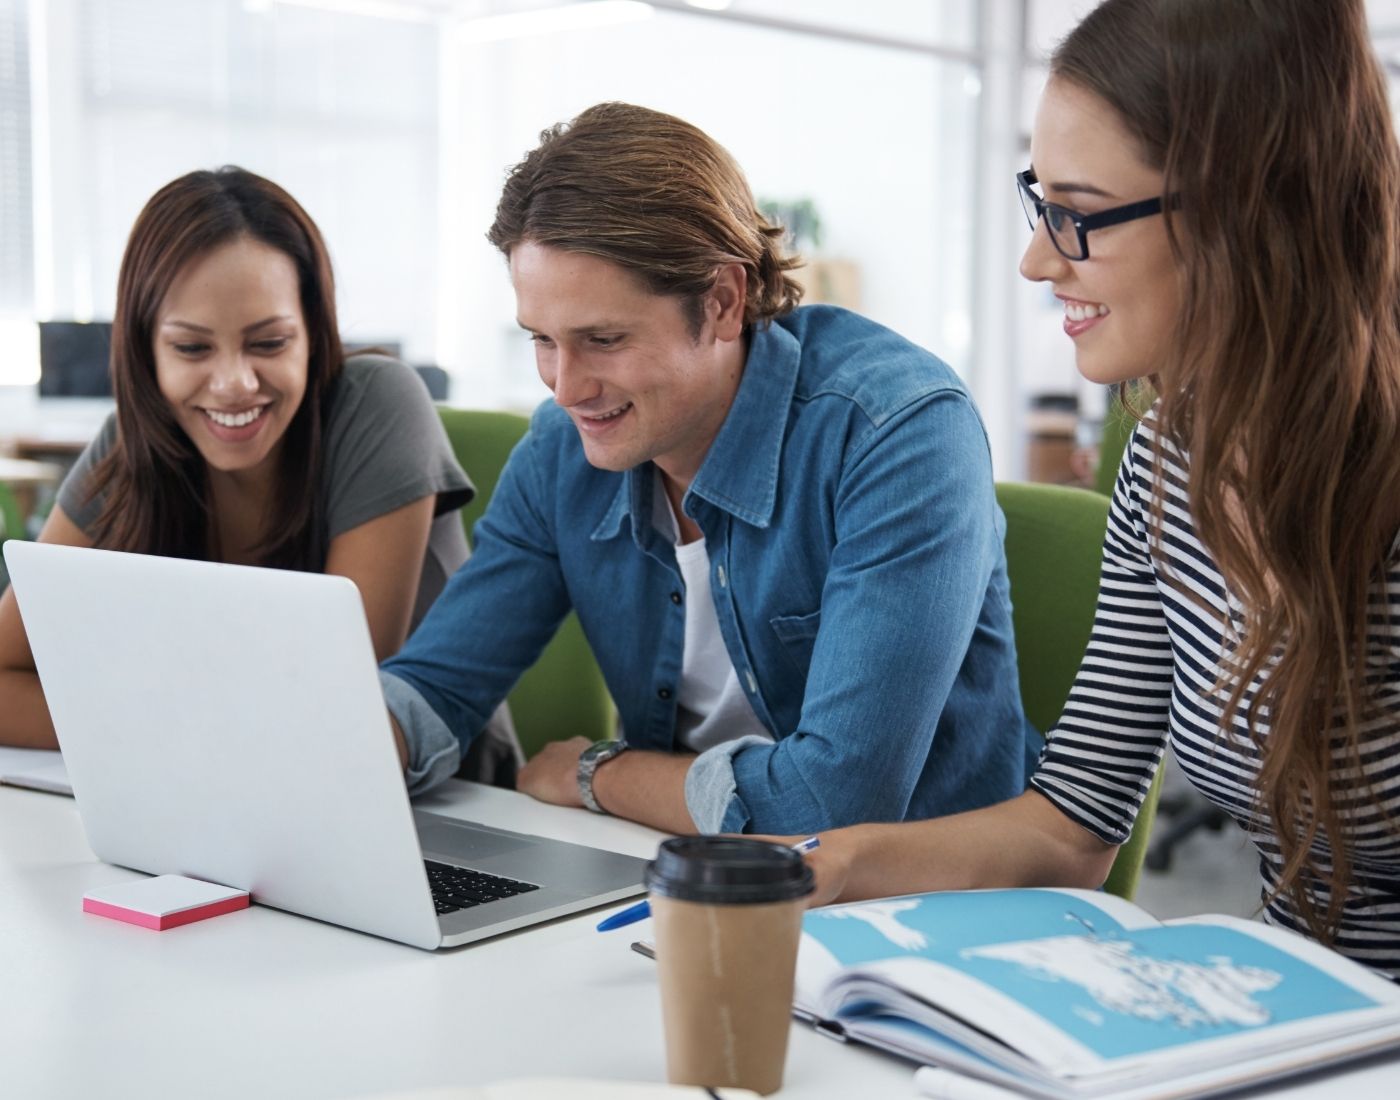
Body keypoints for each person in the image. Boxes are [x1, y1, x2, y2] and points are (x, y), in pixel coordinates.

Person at [797, 0, 1400, 978]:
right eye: (1043, 202)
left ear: (1239, 209)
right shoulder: (1165, 461)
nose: (1037, 258)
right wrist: (827, 861)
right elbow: (1070, 817)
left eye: (1076, 213)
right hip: (1299, 1023)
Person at [381, 102, 1036, 836]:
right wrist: (344, 746)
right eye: (541, 339)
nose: (564, 388)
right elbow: (440, 684)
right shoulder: (560, 450)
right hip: (690, 878)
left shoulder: (898, 432)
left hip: (915, 909)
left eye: (603, 338)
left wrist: (602, 774)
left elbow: (834, 804)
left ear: (723, 300)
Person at [0, 167, 518, 781]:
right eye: (192, 349)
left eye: (269, 343)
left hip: (435, 804)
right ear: (147, 352)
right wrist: (171, 725)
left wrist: (124, 716)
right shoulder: (134, 445)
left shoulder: (379, 403)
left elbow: (334, 707)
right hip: (222, 795)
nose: (235, 383)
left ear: (312, 333)